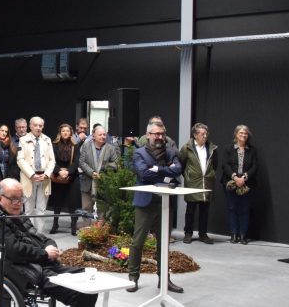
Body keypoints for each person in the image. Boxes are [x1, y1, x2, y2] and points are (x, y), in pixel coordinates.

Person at [0, 178, 98, 307]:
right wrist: (44, 254)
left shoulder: (17, 215)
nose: (19, 203)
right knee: (79, 293)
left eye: (21, 199)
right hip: (18, 269)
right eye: (14, 199)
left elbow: (39, 237)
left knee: (88, 279)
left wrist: (50, 245)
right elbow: (14, 250)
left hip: (39, 263)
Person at [126, 121, 184, 293]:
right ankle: (133, 278)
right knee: (138, 242)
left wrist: (156, 168)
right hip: (146, 202)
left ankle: (164, 280)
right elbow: (143, 174)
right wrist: (166, 169)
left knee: (163, 243)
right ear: (148, 135)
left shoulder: (172, 152)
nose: (159, 137)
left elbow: (178, 170)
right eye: (156, 134)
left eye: (162, 134)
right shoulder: (139, 153)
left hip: (165, 203)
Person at [179, 123, 218, 244]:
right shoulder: (186, 148)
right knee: (190, 210)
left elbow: (214, 165)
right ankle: (188, 233)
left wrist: (210, 175)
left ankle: (203, 234)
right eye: (202, 134)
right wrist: (189, 176)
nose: (205, 136)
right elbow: (181, 164)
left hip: (206, 183)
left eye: (206, 134)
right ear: (195, 135)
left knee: (204, 210)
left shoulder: (212, 148)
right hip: (192, 183)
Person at [16, 116, 56, 233]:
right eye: (35, 125)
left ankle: (39, 235)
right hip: (29, 178)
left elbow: (52, 160)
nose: (38, 128)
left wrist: (47, 174)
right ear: (30, 126)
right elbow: (20, 160)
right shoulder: (23, 140)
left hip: (44, 178)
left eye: (40, 125)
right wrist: (32, 174)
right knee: (28, 209)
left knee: (41, 209)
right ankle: (29, 235)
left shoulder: (47, 140)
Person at [222, 124, 258, 245]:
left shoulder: (252, 150)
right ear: (236, 135)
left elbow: (254, 167)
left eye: (245, 133)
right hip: (231, 183)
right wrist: (235, 177)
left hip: (246, 184)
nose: (243, 135)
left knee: (244, 209)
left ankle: (243, 235)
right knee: (232, 208)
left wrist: (244, 177)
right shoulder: (228, 149)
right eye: (241, 133)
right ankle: (233, 234)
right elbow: (225, 165)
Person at [78, 125, 119, 219]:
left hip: (103, 182)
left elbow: (117, 164)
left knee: (103, 210)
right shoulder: (86, 146)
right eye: (100, 135)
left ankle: (100, 231)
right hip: (87, 182)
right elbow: (81, 162)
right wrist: (92, 173)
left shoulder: (111, 148)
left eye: (104, 135)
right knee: (86, 209)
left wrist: (104, 167)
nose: (103, 137)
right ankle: (86, 231)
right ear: (93, 136)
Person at [48, 124, 80, 235]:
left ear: (71, 133)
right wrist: (59, 171)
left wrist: (68, 172)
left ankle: (73, 225)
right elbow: (51, 160)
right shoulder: (54, 145)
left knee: (73, 201)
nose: (65, 133)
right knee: (57, 201)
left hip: (72, 176)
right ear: (60, 133)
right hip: (58, 176)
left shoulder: (75, 145)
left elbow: (76, 162)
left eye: (67, 131)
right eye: (63, 131)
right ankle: (55, 224)